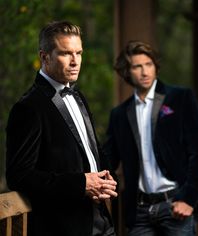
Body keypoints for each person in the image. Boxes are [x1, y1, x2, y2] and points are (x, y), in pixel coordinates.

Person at [5, 21, 118, 236]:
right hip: (64, 227)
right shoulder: (28, 108)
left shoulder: (79, 96)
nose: (75, 61)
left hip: (102, 221)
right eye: (66, 53)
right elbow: (19, 175)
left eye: (79, 53)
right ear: (44, 56)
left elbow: (92, 150)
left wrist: (108, 178)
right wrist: (80, 184)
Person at [103, 40, 198, 236]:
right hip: (139, 211)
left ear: (155, 67)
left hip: (176, 206)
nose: (144, 72)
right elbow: (108, 160)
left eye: (148, 65)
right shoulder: (119, 114)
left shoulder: (181, 98)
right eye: (137, 66)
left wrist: (189, 198)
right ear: (127, 72)